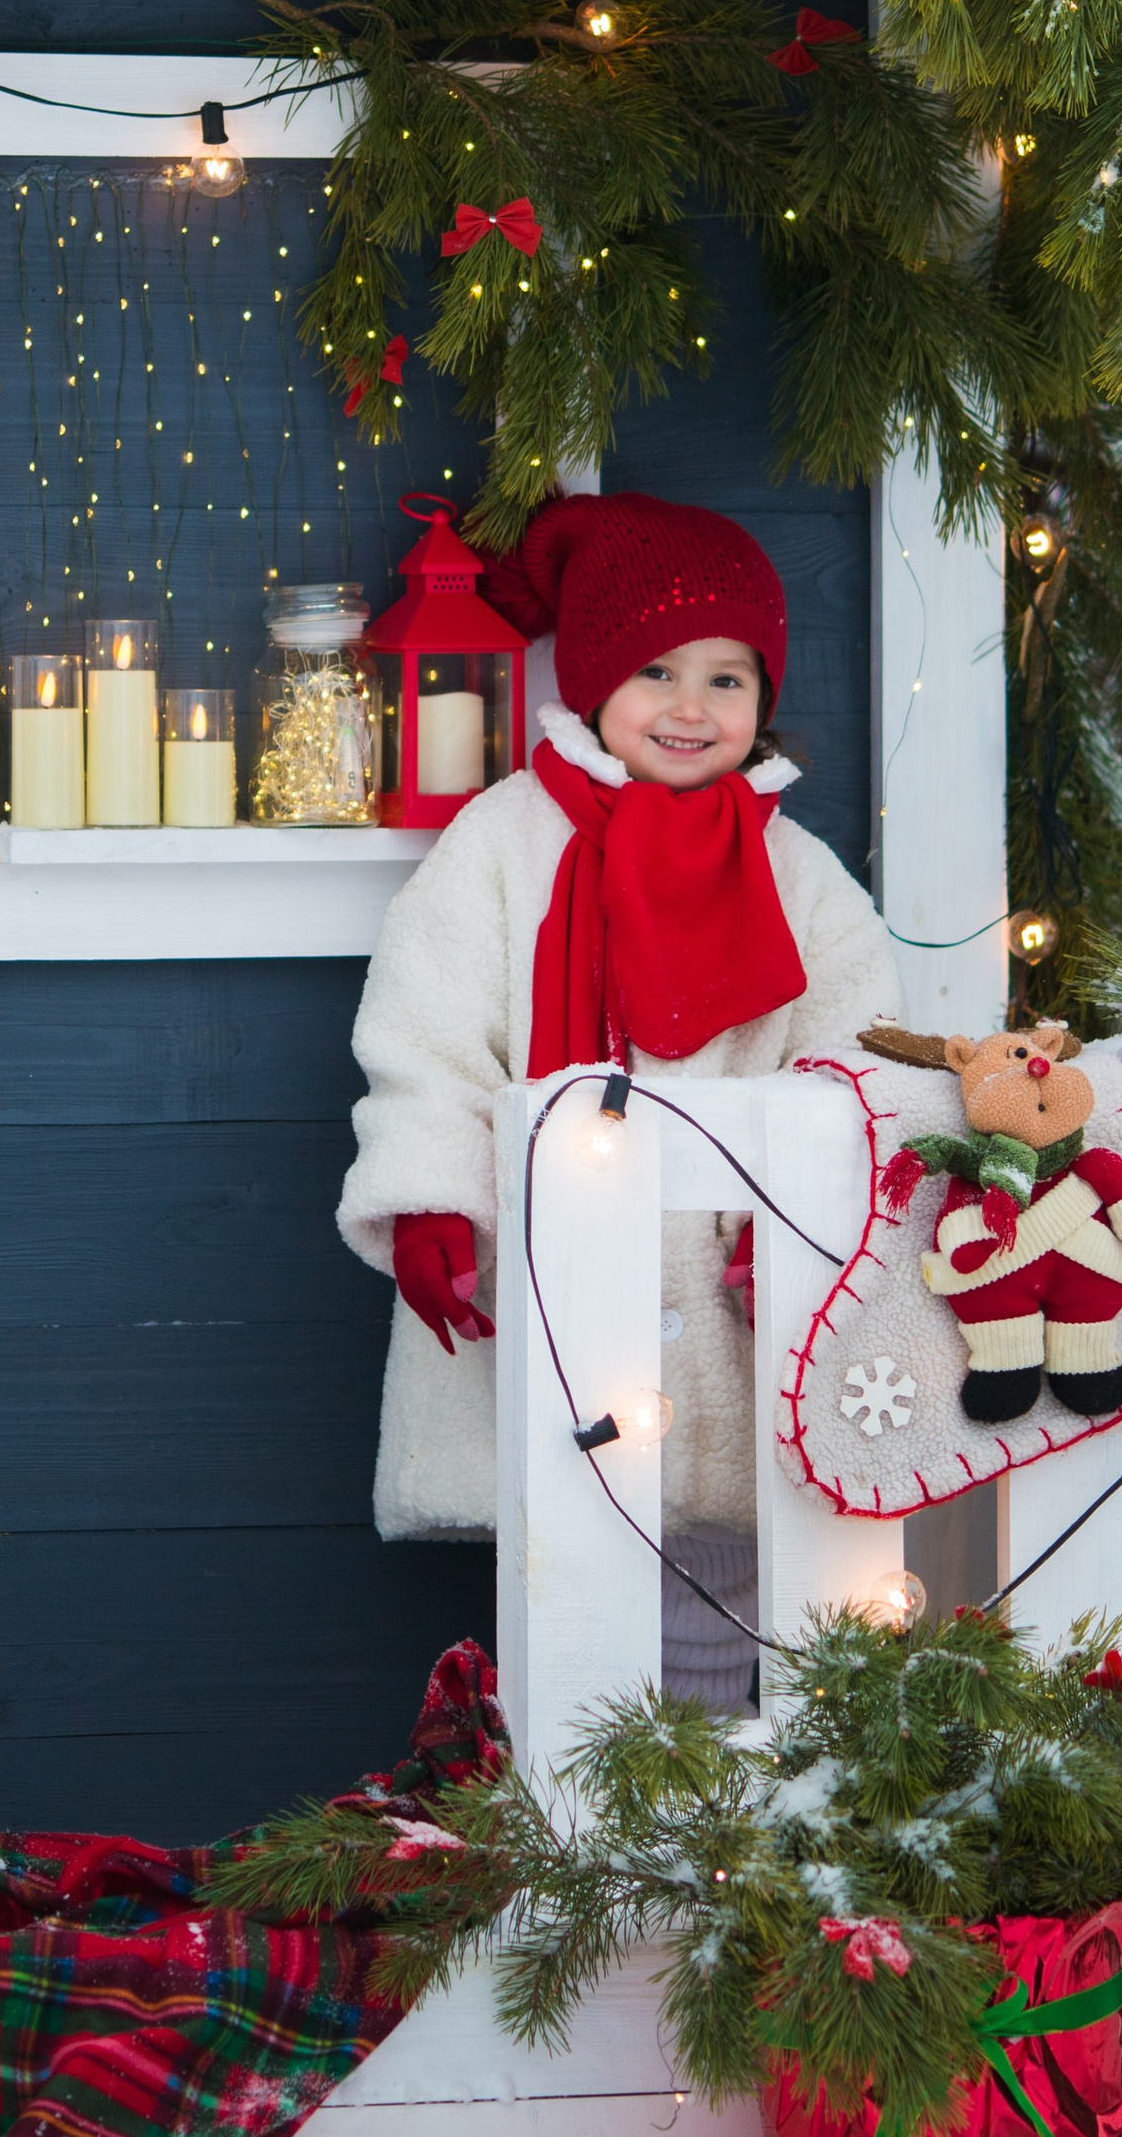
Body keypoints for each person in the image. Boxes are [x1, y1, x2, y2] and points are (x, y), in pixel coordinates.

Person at [337, 491, 900, 1706]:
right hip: (553, 1274)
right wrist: (429, 1196)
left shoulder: (795, 870)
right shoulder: (504, 843)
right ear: (593, 679)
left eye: (728, 678)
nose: (692, 709)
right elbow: (428, 1028)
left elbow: (857, 1047)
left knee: (742, 1556)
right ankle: (583, 1822)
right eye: (656, 670)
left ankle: (731, 1808)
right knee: (574, 1551)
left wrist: (803, 1222)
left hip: (742, 1294)